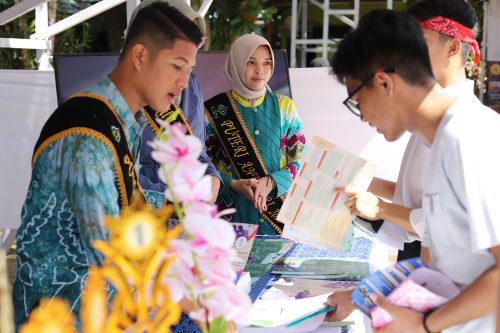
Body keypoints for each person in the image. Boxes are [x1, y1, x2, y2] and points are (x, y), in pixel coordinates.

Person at [12, 2, 202, 329]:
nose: (184, 82)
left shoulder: (118, 120)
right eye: (177, 66)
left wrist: (180, 209)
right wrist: (188, 303)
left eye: (189, 70)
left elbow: (127, 203)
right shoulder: (88, 138)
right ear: (140, 56)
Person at [326, 8, 500, 333]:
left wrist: (424, 325)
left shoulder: (467, 138)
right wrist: (362, 297)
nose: (361, 117)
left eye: (356, 100)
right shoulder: (439, 141)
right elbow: (442, 269)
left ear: (383, 83)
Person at [341, 0, 480, 262]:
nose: (404, 57)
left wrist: (380, 208)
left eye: (417, 44)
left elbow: (454, 229)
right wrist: (370, 184)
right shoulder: (436, 123)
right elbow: (426, 201)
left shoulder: (467, 130)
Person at [204, 34, 306, 235]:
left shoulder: (285, 107)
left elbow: (302, 159)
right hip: (229, 222)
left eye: (266, 63)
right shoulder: (213, 110)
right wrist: (231, 183)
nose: (260, 70)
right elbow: (201, 164)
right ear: (236, 63)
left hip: (278, 222)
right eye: (251, 62)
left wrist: (274, 181)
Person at [131, 0, 222, 207]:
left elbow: (196, 151)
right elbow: (119, 177)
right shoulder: (118, 96)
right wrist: (171, 198)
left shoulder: (191, 85)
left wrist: (212, 178)